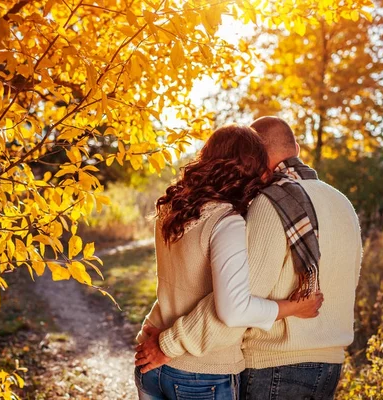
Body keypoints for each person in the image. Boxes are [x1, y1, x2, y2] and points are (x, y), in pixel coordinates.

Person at [136, 116, 362, 400]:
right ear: (296, 147)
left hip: (275, 365)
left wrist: (166, 344)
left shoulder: (269, 203)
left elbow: (232, 307)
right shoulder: (342, 203)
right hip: (330, 364)